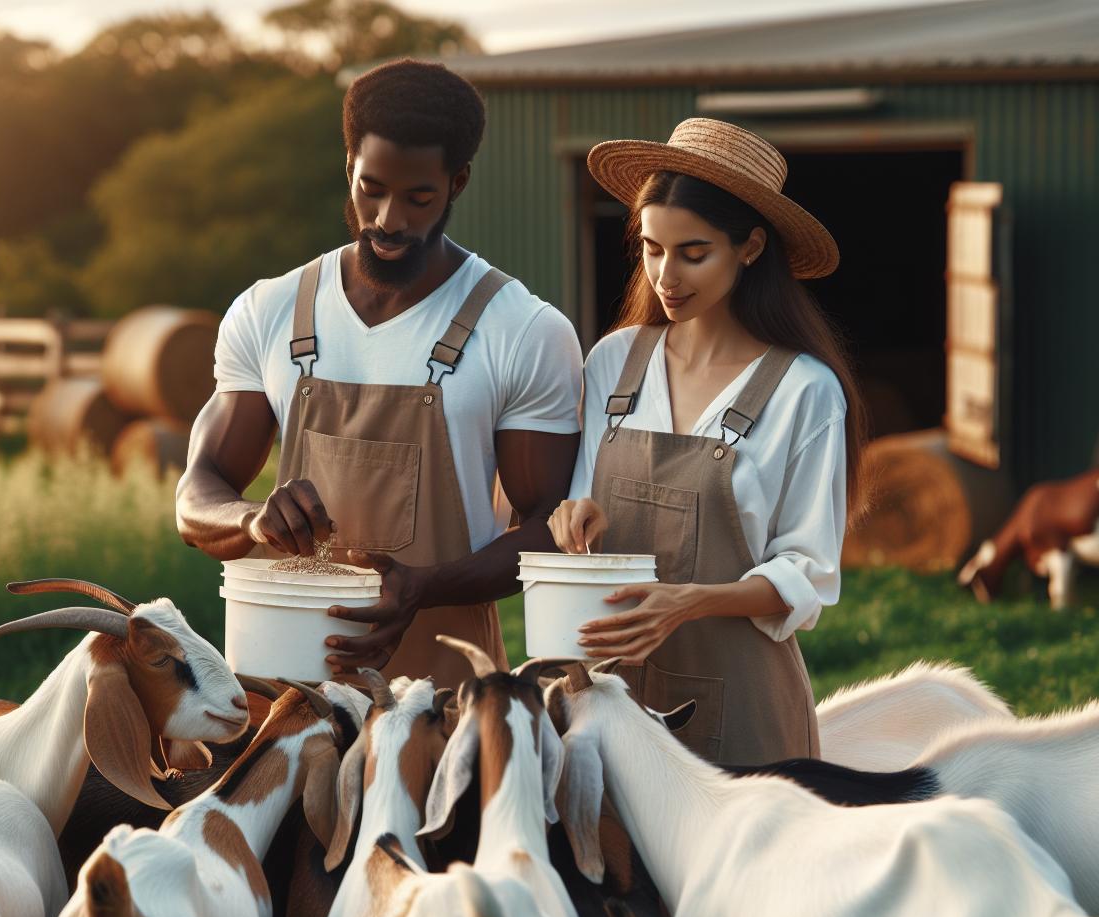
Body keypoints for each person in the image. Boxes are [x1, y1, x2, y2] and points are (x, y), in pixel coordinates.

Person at [175, 58, 582, 686]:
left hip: (446, 687)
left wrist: (426, 587)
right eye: (373, 189)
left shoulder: (526, 330)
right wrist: (249, 519)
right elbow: (196, 495)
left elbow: (552, 530)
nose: (390, 219)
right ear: (349, 168)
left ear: (458, 183)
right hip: (284, 686)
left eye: (418, 197)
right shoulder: (270, 309)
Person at [548, 118, 868, 763]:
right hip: (605, 696)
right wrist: (571, 516)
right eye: (652, 249)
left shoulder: (804, 391)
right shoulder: (612, 362)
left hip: (742, 700)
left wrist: (690, 603)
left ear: (749, 248)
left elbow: (805, 574)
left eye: (693, 253)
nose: (666, 276)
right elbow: (578, 498)